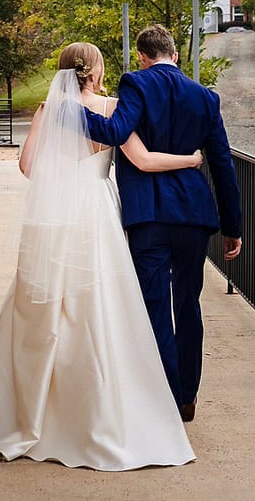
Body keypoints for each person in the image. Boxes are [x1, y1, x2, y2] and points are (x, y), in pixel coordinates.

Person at [0, 43, 199, 470]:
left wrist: (61, 176)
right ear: (97, 70)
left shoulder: (48, 109)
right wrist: (192, 158)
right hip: (96, 212)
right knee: (99, 306)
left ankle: (27, 407)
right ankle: (97, 410)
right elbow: (142, 161)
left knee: (44, 302)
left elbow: (28, 166)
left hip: (54, 215)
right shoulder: (112, 108)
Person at [81, 24, 243, 423]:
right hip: (194, 217)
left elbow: (116, 132)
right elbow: (222, 164)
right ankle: (187, 397)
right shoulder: (206, 98)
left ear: (141, 56)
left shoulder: (135, 84)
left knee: (155, 306)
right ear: (174, 54)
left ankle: (165, 398)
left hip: (149, 218)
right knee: (188, 305)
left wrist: (70, 109)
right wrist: (233, 226)